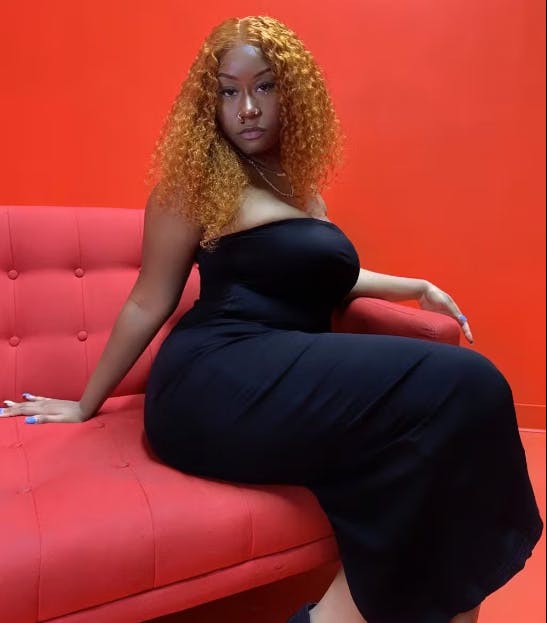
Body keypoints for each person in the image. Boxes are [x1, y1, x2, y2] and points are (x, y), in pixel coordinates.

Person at [0, 15, 542, 623]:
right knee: (468, 383)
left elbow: (330, 278)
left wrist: (418, 286)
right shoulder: (193, 188)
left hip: (281, 371)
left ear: (293, 94)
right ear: (209, 104)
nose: (249, 108)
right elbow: (148, 301)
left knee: (452, 417)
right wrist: (84, 403)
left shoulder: (301, 190)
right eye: (229, 92)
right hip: (212, 380)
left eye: (264, 87)